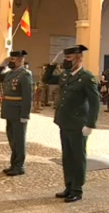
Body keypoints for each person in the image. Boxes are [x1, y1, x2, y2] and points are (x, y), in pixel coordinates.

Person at [42, 45, 100, 203]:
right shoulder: (66, 75)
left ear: (79, 58)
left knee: (77, 157)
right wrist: (52, 66)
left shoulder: (87, 77)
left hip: (78, 123)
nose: (66, 61)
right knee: (67, 156)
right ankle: (68, 186)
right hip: (64, 121)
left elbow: (95, 103)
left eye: (69, 58)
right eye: (65, 58)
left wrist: (90, 124)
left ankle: (77, 189)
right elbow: (46, 79)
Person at [0, 50, 33, 176]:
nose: (11, 62)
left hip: (18, 111)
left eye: (13, 59)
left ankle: (19, 165)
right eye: (10, 59)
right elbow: (0, 76)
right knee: (12, 139)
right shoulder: (10, 73)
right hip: (9, 110)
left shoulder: (25, 74)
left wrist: (25, 115)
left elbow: (28, 97)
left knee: (19, 140)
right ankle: (14, 164)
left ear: (21, 60)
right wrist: (2, 64)